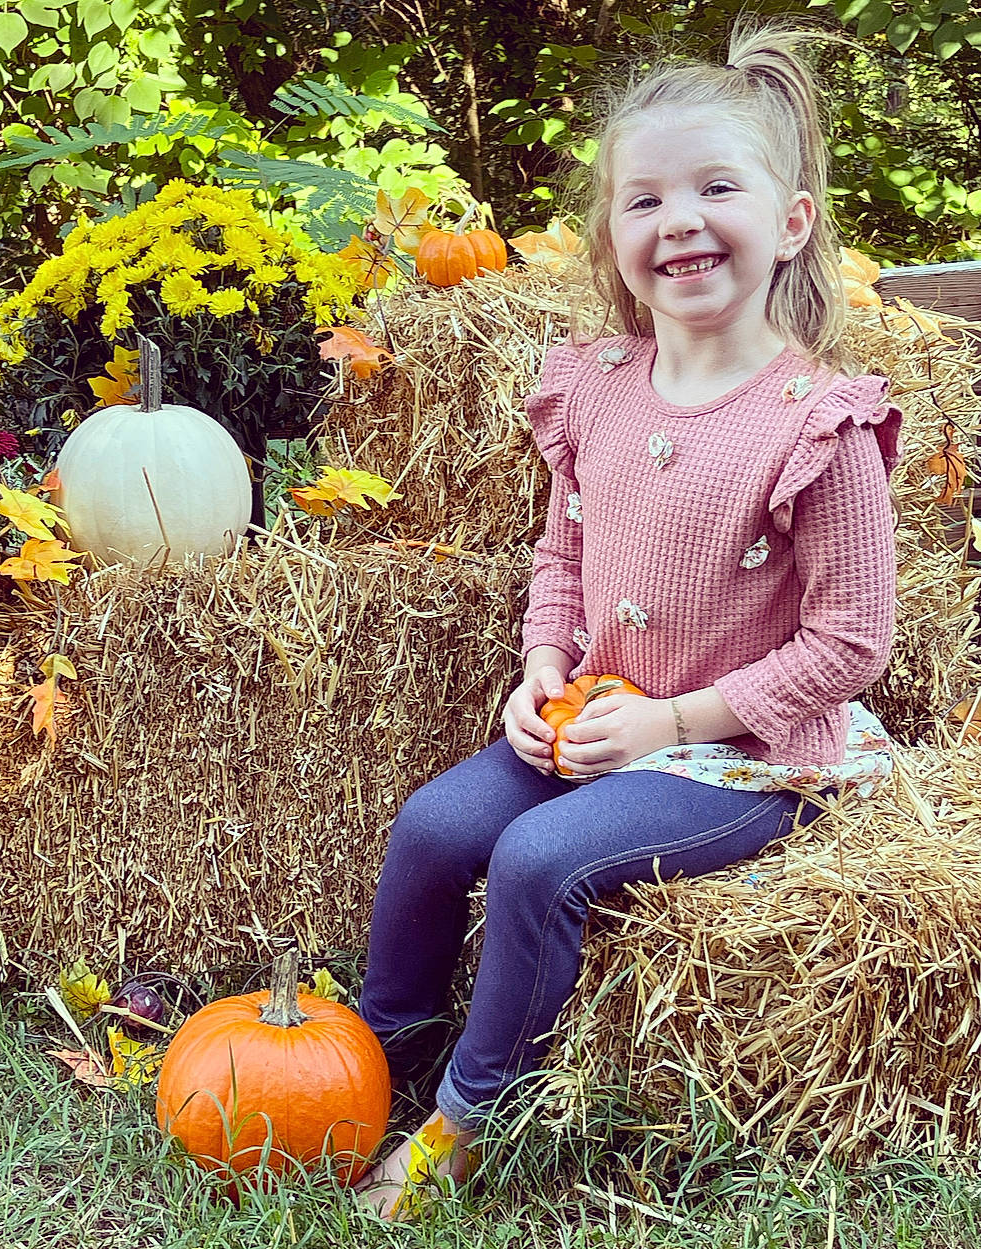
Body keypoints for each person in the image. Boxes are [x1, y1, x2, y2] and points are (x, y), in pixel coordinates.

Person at [354, 14, 901, 1218]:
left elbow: (854, 643)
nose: (680, 221)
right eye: (644, 199)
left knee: (538, 858)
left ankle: (466, 1119)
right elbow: (566, 551)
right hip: (596, 714)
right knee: (438, 825)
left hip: (742, 756)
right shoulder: (592, 384)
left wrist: (670, 724)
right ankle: (368, 1056)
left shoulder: (821, 422)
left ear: (791, 220)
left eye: (717, 187)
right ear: (612, 233)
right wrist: (542, 665)